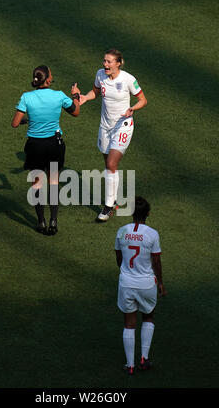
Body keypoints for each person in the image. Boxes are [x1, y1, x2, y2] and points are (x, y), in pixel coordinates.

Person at [11, 65, 81, 235]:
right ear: (48, 79)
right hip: (54, 145)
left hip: (35, 146)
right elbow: (76, 112)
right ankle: (53, 220)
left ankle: (40, 221)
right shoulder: (58, 96)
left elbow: (14, 123)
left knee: (37, 184)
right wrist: (76, 95)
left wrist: (29, 119)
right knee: (53, 182)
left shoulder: (26, 97)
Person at [80, 49, 147, 222]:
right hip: (105, 126)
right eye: (104, 61)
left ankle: (108, 207)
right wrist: (85, 98)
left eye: (109, 62)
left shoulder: (128, 79)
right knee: (109, 166)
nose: (105, 65)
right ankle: (114, 199)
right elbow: (95, 91)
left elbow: (143, 100)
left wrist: (132, 108)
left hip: (123, 126)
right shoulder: (100, 75)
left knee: (111, 163)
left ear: (118, 63)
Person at [114, 196, 166, 375]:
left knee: (129, 324)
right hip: (146, 284)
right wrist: (160, 283)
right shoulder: (152, 234)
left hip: (127, 283)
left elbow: (119, 259)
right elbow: (156, 261)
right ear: (148, 214)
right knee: (148, 317)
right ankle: (144, 358)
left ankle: (130, 366)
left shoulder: (121, 231)